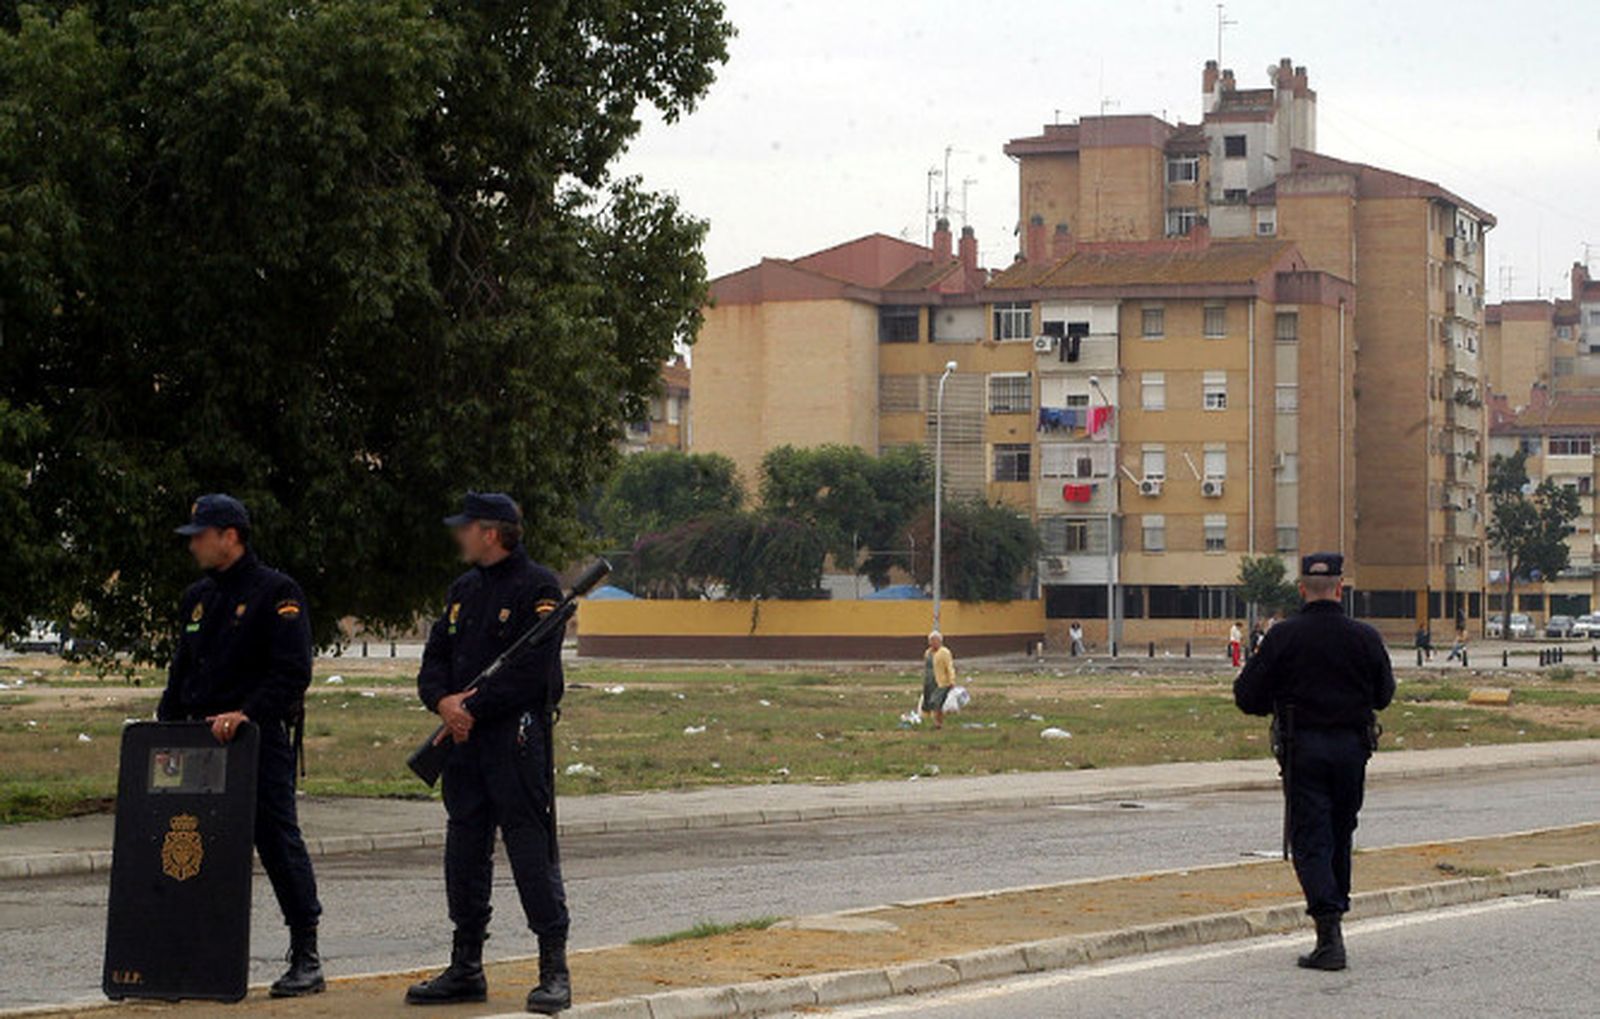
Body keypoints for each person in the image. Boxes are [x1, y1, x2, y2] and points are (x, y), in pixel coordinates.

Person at [407, 493, 571, 1013]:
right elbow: (434, 658)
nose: (460, 535)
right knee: (464, 852)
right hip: (462, 744)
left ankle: (553, 968)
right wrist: (442, 702)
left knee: (529, 850)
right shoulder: (464, 589)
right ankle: (465, 965)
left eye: (467, 527)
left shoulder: (538, 587)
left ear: (492, 532)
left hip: (512, 740)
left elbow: (535, 673)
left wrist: (471, 706)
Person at [158, 494, 324, 997]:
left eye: (201, 537)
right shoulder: (198, 598)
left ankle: (306, 953)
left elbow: (293, 673)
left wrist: (247, 714)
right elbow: (182, 672)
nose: (194, 546)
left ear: (230, 536)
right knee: (195, 845)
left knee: (276, 842)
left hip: (254, 742)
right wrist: (164, 729)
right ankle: (199, 953)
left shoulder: (276, 593)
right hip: (197, 745)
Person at [1233, 553, 1395, 972]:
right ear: (1340, 590)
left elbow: (1246, 696)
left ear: (1302, 590)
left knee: (1310, 840)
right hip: (1351, 750)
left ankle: (1329, 936)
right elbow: (1383, 695)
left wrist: (1280, 699)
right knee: (1341, 834)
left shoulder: (1284, 637)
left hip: (1303, 749)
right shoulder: (1365, 636)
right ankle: (1334, 921)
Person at [921, 631, 956, 730]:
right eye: (930, 641)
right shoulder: (928, 652)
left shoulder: (944, 652)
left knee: (936, 702)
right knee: (928, 703)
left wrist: (952, 680)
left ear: (940, 641)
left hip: (941, 682)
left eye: (934, 640)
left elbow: (949, 666)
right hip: (929, 682)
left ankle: (938, 723)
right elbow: (926, 667)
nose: (932, 643)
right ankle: (935, 722)